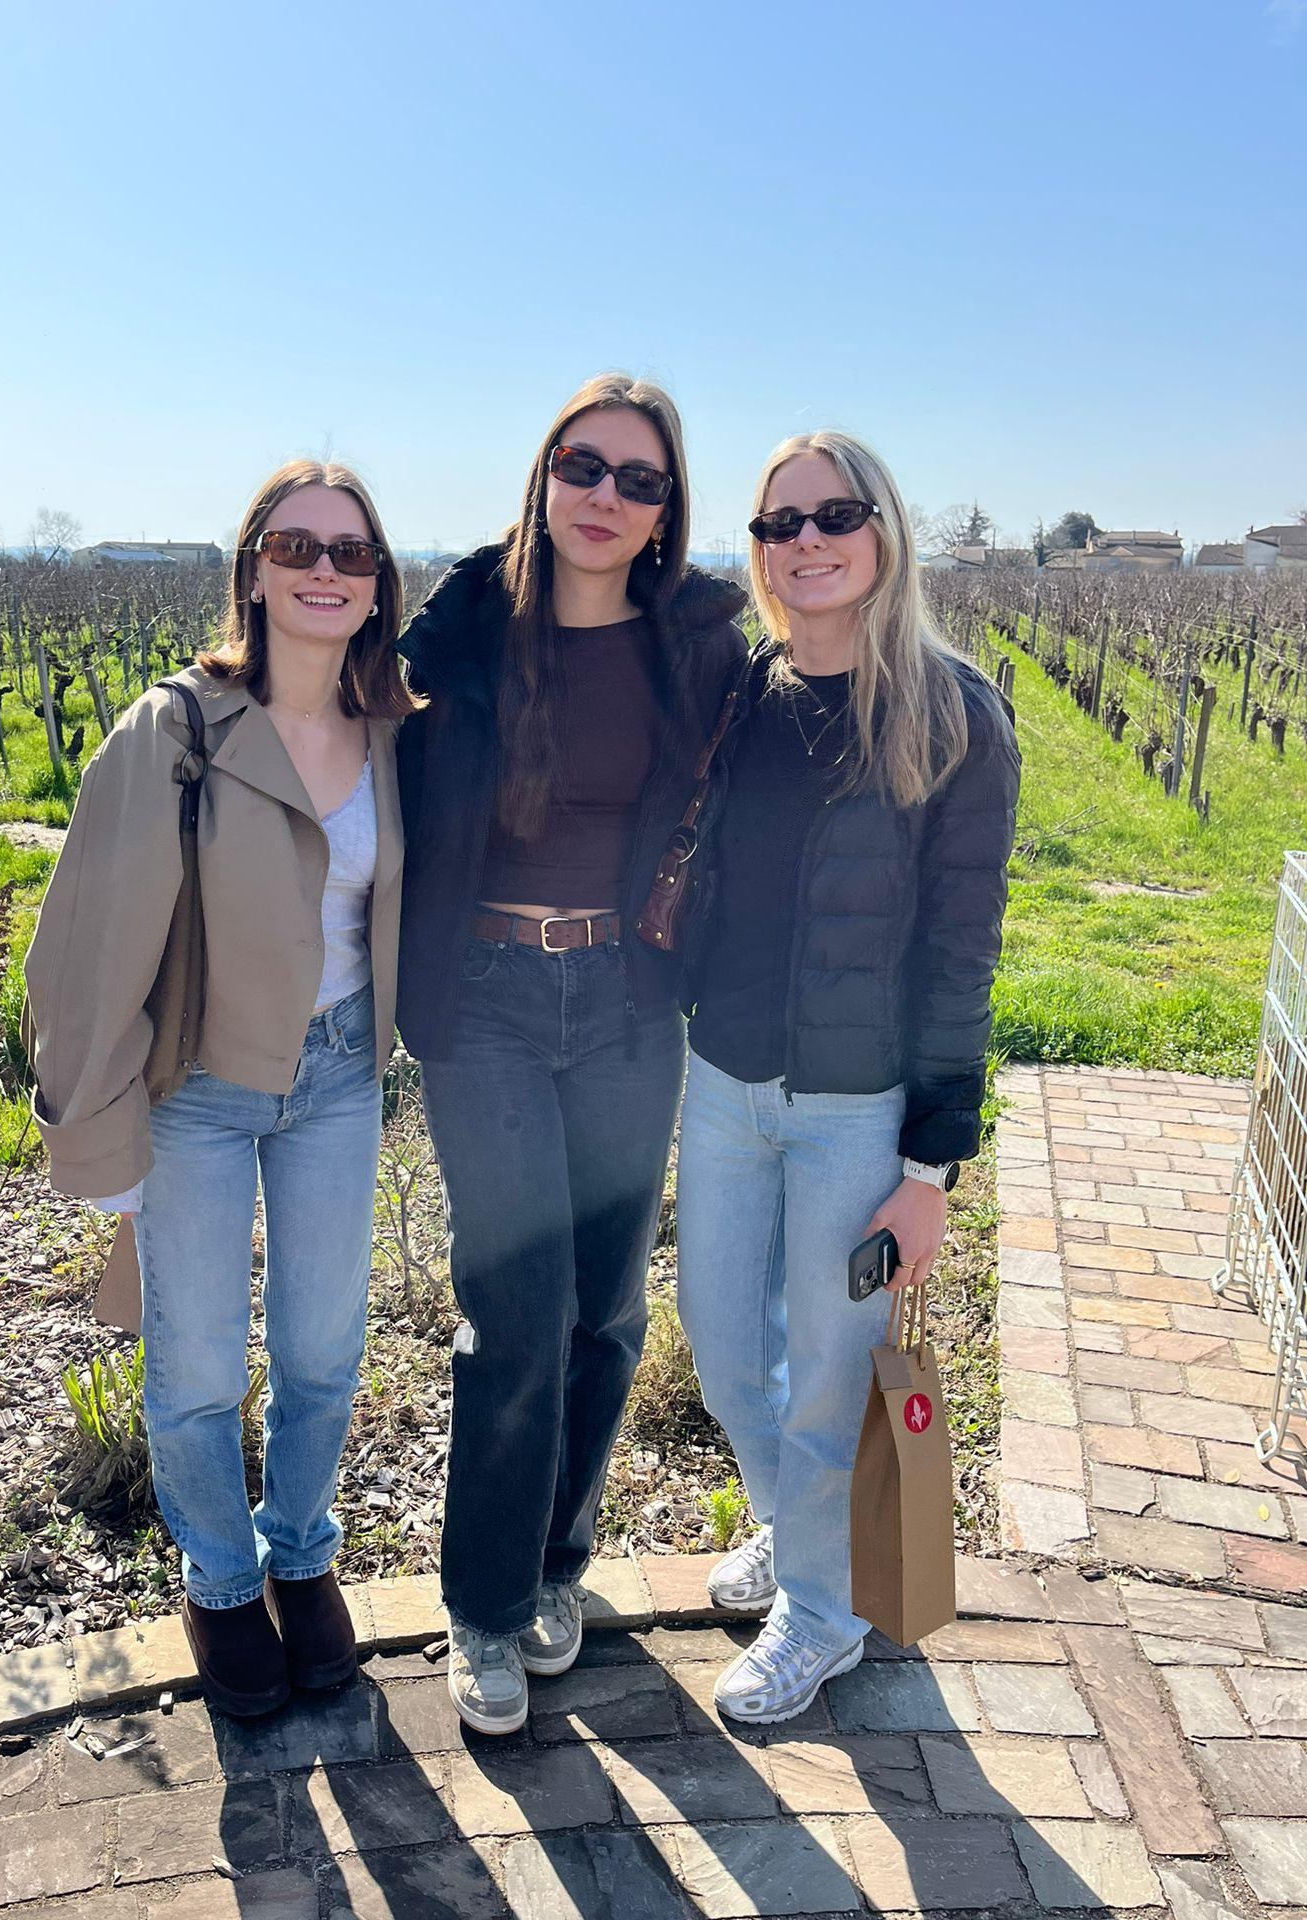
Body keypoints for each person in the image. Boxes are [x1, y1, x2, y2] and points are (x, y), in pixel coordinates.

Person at [22, 460, 414, 1718]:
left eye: (350, 552)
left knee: (322, 1348)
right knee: (195, 1362)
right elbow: (88, 943)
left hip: (339, 1076)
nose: (323, 571)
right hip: (196, 1084)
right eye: (296, 547)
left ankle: (300, 1555)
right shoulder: (179, 729)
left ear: (379, 584)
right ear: (251, 568)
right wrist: (97, 1127)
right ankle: (222, 1580)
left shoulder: (396, 731)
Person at [396, 374, 748, 1734]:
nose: (607, 496)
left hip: (624, 1000)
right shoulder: (463, 631)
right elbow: (336, 722)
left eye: (639, 480)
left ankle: (555, 1565)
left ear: (667, 511)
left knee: (606, 1310)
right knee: (518, 1312)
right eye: (584, 466)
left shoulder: (698, 648)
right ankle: (484, 1605)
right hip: (485, 998)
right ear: (544, 476)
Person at [674, 429, 1020, 1724]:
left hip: (855, 1111)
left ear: (885, 530)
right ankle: (796, 1528)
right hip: (723, 1084)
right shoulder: (741, 696)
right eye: (779, 524)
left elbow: (962, 955)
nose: (806, 540)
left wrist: (930, 1169)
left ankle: (822, 1616)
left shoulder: (954, 715)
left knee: (829, 1370)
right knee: (722, 1349)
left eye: (834, 515)